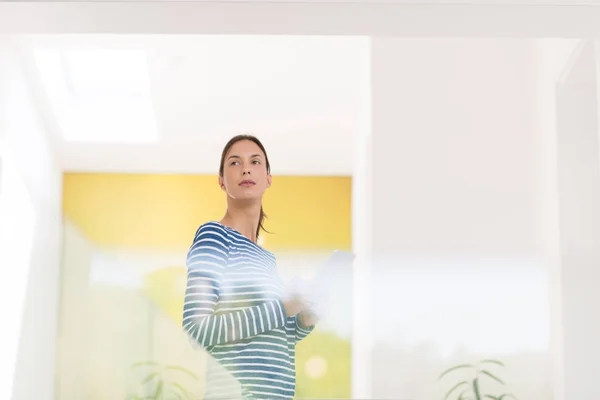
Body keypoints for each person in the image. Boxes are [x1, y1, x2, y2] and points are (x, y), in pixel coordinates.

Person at [182, 134, 320, 400]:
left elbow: (271, 338)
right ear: (221, 180)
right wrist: (282, 308)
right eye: (235, 163)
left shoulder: (266, 259)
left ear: (268, 178)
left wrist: (304, 319)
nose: (246, 168)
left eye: (255, 161)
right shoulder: (214, 236)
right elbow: (196, 329)